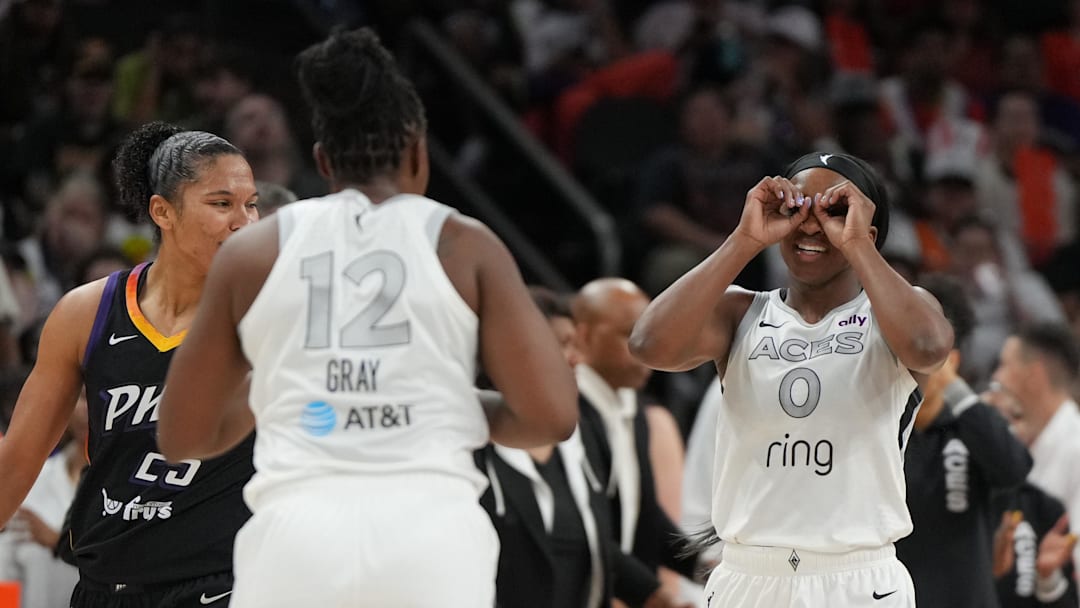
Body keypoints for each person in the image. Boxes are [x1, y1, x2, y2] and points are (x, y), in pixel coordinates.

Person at [156, 27, 578, 608]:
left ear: (323, 160)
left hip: (296, 540)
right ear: (418, 151)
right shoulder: (466, 244)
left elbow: (182, 435)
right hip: (431, 539)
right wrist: (439, 399)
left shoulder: (253, 252)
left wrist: (294, 388)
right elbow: (551, 417)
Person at [630, 151, 954, 607]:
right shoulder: (739, 311)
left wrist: (858, 245)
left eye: (832, 211)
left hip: (857, 579)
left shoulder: (894, 313)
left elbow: (928, 346)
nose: (808, 225)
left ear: (868, 228)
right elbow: (648, 344)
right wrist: (743, 240)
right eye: (795, 208)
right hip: (747, 576)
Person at [0, 120, 259, 607]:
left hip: (217, 586)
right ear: (163, 212)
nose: (243, 221)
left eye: (251, 204)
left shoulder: (264, 312)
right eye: (222, 204)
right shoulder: (87, 312)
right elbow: (16, 463)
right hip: (104, 586)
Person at [895, 273, 1032, 608]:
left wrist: (953, 385)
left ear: (951, 359)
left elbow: (1014, 468)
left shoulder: (974, 426)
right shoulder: (883, 428)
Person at [572, 278, 703, 603]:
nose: (644, 345)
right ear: (583, 335)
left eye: (648, 331)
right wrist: (651, 595)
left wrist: (703, 566)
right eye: (628, 333)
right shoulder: (567, 414)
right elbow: (583, 523)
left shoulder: (634, 411)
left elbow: (644, 513)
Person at [991, 322, 1080, 599]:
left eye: (1004, 365)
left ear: (1034, 375)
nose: (997, 377)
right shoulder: (1032, 447)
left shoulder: (1075, 450)